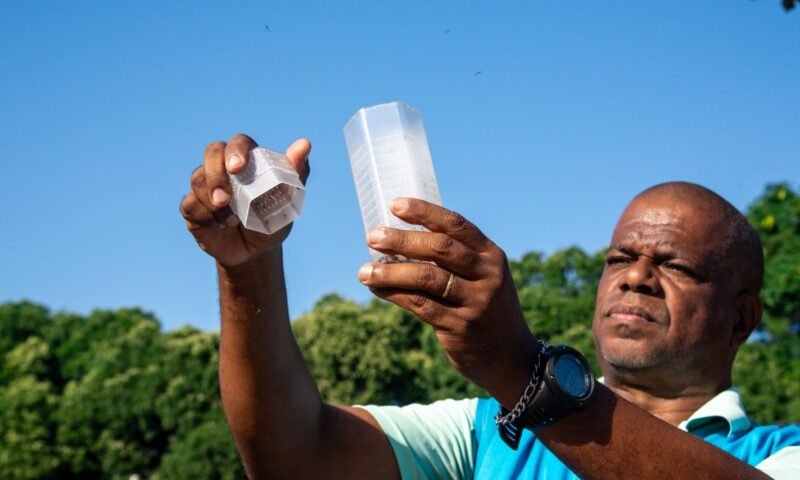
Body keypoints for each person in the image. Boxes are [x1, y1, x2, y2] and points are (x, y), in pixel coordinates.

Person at [180, 134, 800, 479]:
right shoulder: (488, 438)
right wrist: (250, 270)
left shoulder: (780, 454)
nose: (635, 278)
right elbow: (296, 456)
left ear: (743, 318)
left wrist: (525, 372)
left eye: (675, 266)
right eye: (619, 258)